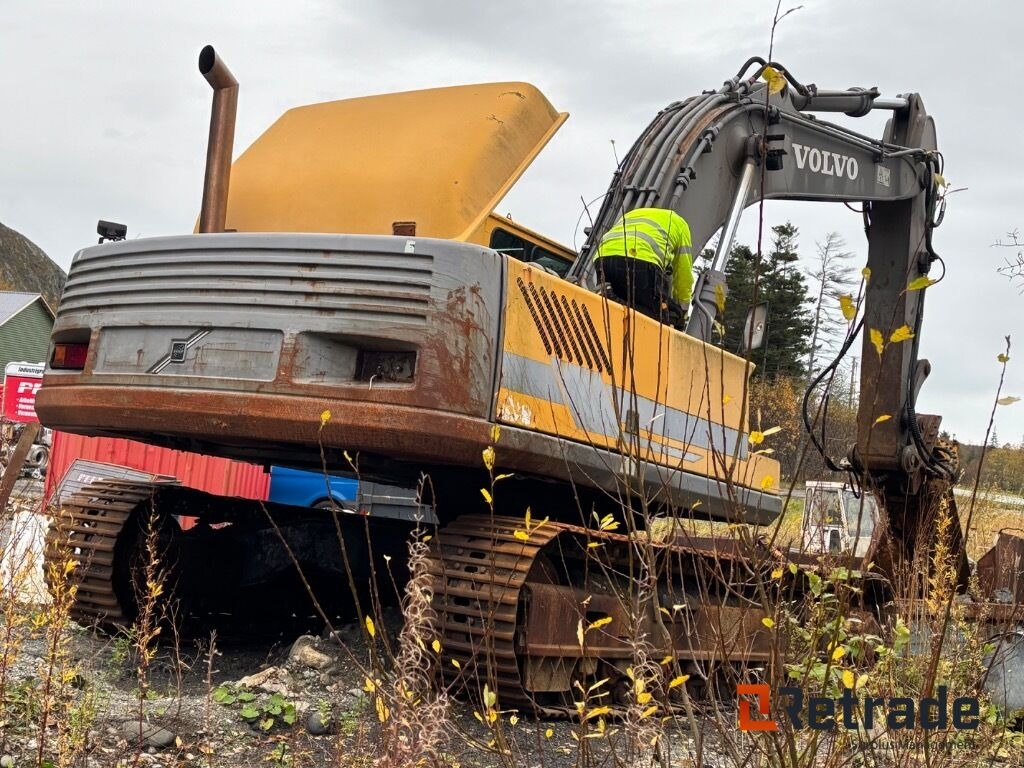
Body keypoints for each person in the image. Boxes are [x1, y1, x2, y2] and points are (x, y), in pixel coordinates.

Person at [593, 208, 693, 325]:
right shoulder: (681, 225)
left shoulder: (634, 213)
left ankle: (605, 295)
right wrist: (682, 311)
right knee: (658, 320)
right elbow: (683, 276)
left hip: (603, 257)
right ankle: (609, 298)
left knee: (611, 313)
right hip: (640, 259)